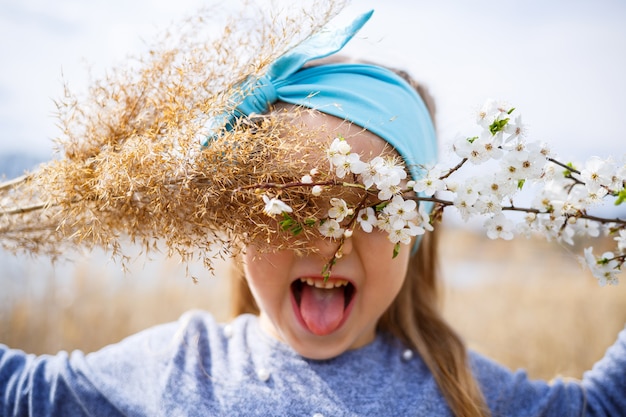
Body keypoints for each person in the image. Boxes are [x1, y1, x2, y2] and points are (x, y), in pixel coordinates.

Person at [1, 8, 625, 417]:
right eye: (290, 202)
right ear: (236, 217)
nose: (329, 239)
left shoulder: (455, 387)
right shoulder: (182, 366)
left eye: (368, 206)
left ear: (418, 228)